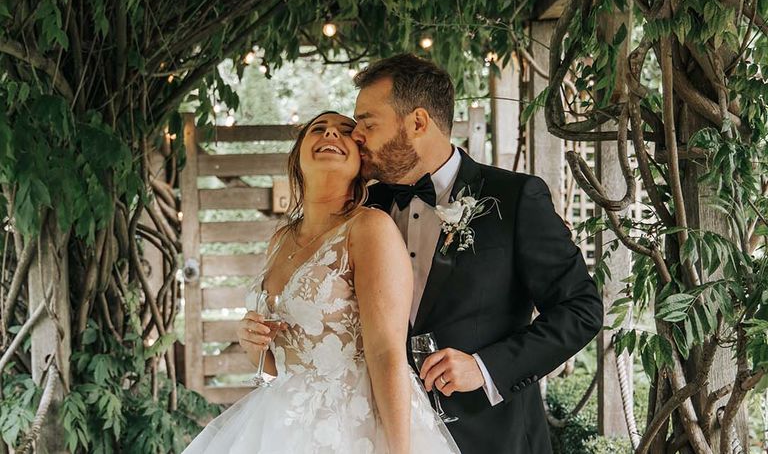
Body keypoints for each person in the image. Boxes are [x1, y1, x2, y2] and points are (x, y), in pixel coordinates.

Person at [351, 54, 604, 454]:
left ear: (418, 122)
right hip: (385, 432)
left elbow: (581, 308)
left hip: (493, 437)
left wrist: (486, 368)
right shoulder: (366, 208)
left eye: (368, 123)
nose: (356, 136)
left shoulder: (516, 197)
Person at [182, 111, 460, 454]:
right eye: (319, 129)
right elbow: (283, 362)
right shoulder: (281, 239)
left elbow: (386, 351)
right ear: (298, 156)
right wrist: (252, 342)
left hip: (354, 426)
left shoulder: (370, 228)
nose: (331, 134)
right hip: (282, 423)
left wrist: (399, 450)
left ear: (361, 160)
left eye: (345, 132)